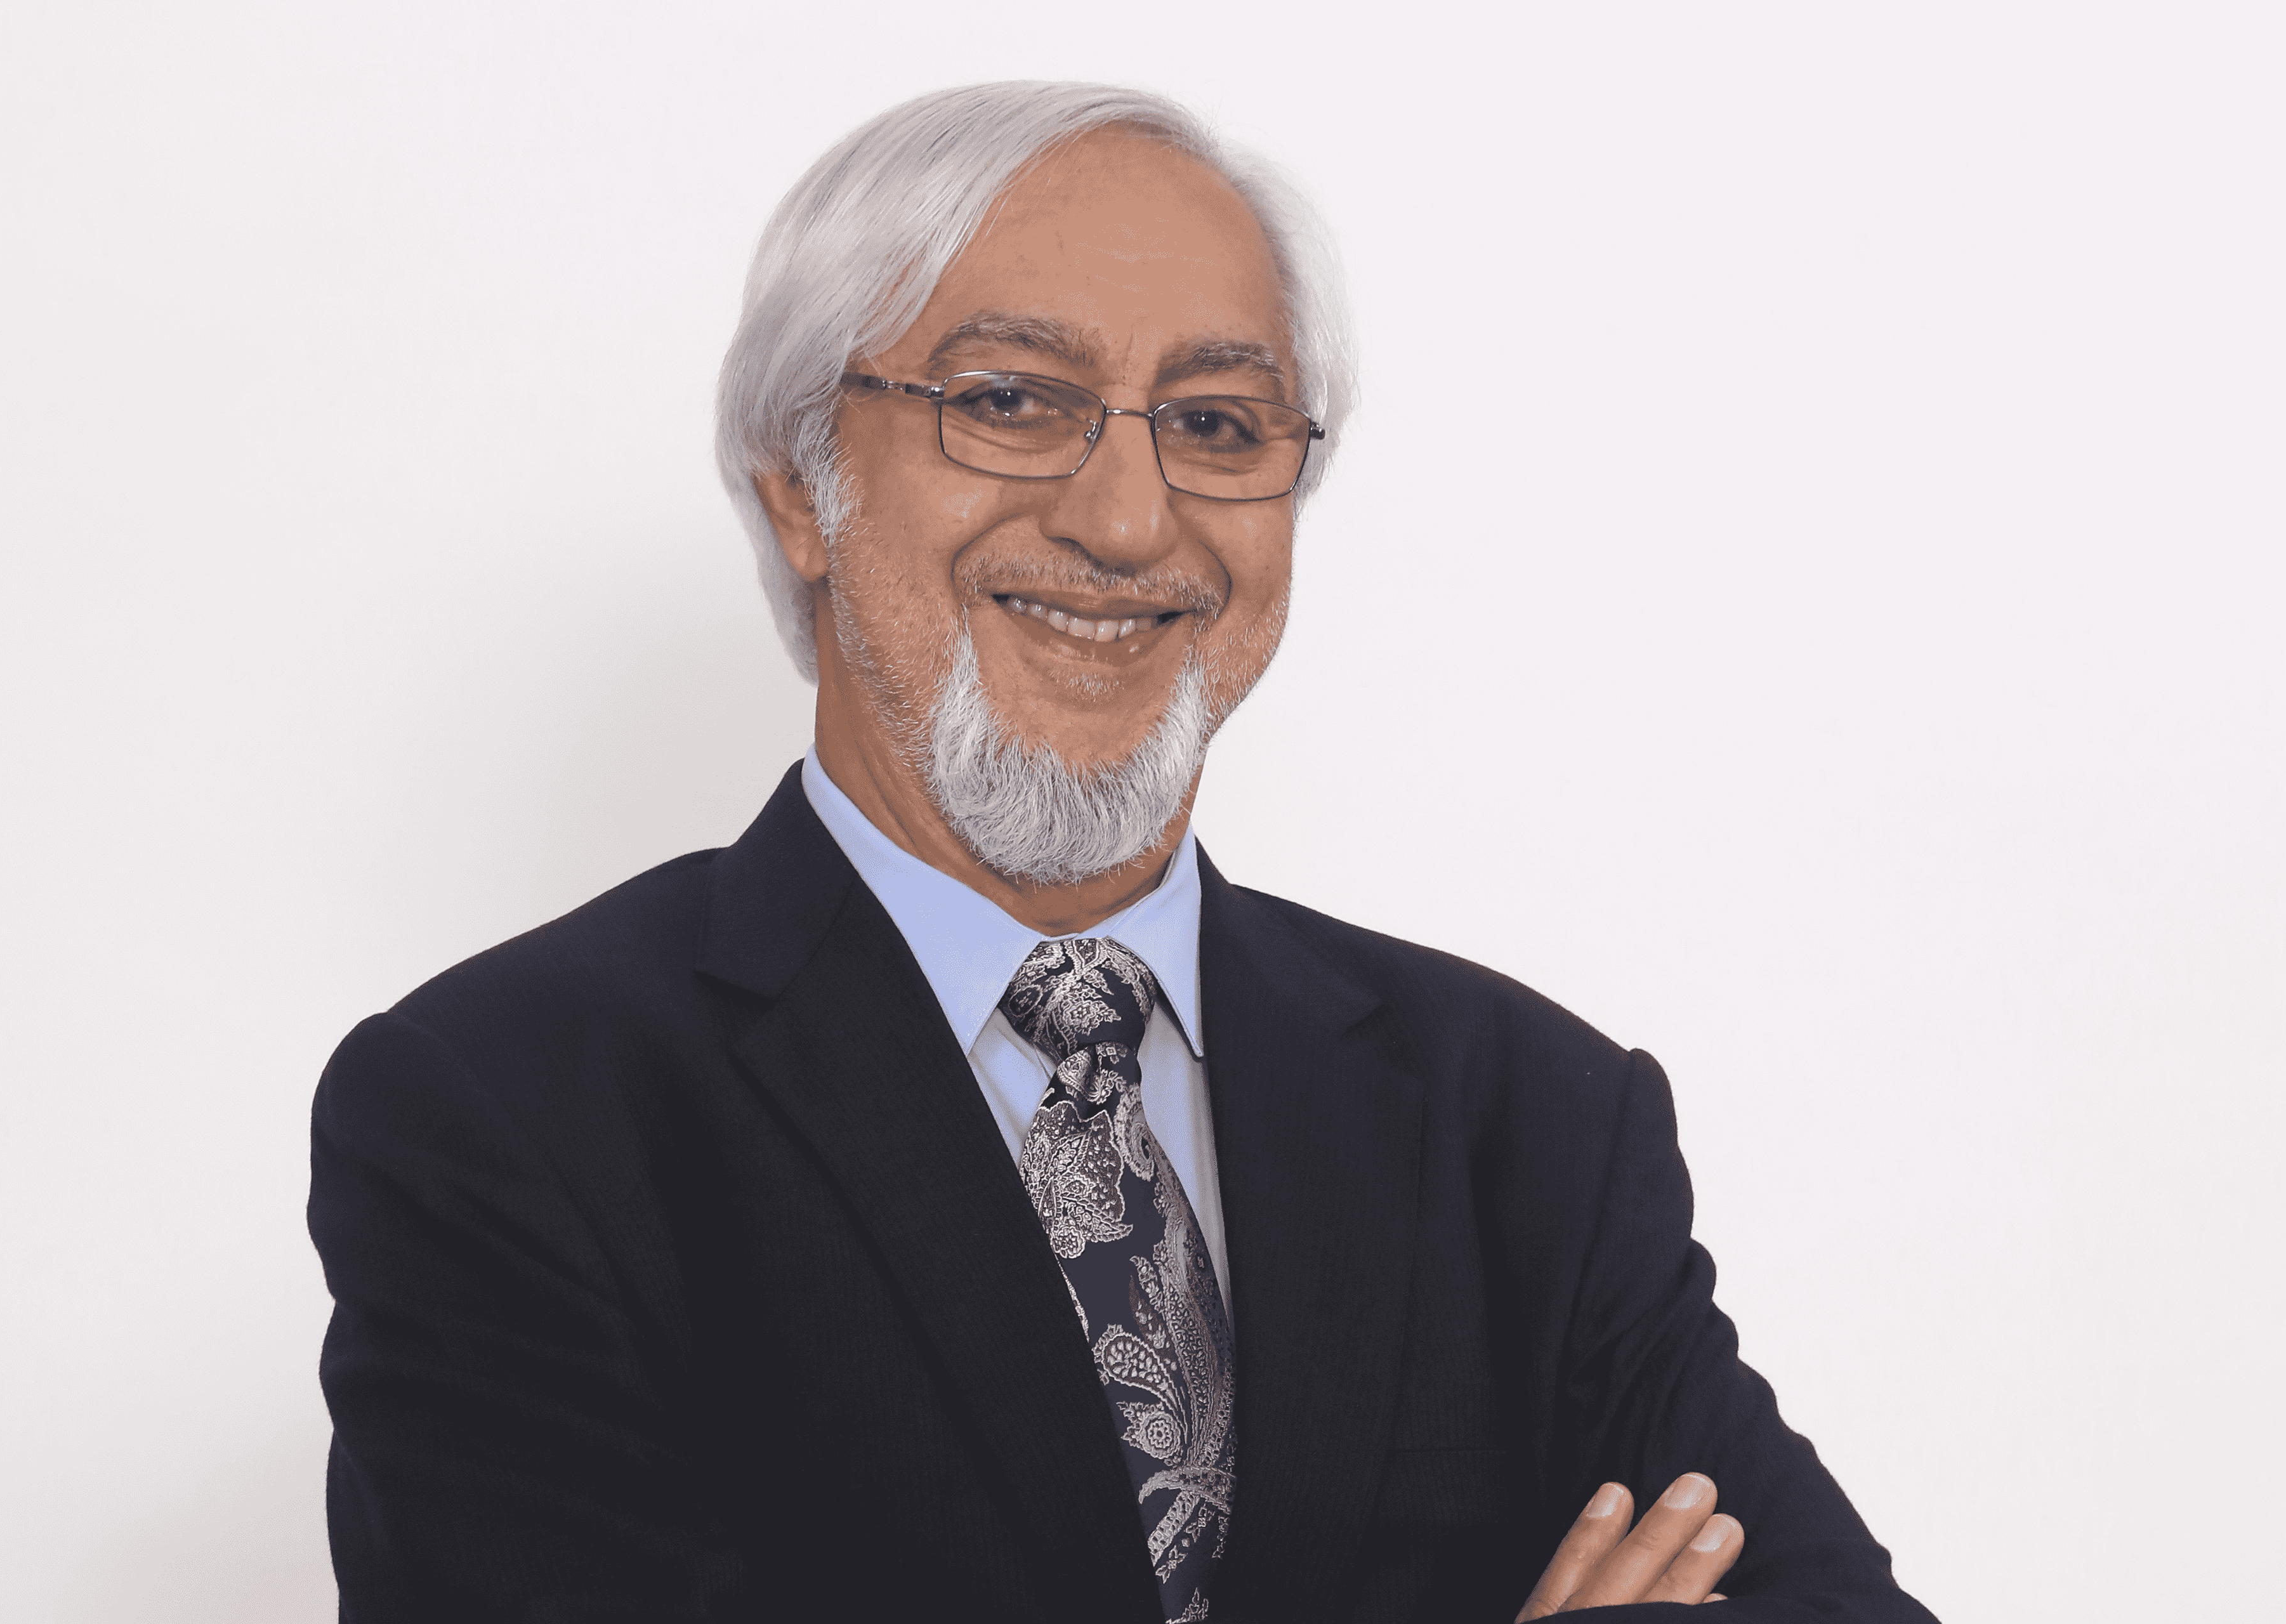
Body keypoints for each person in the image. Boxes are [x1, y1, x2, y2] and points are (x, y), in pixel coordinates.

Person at [307, 82, 1936, 1623]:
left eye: (1219, 423)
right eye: (1011, 401)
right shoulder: (510, 1117)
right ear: (801, 484)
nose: (1130, 521)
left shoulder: (1526, 1117)